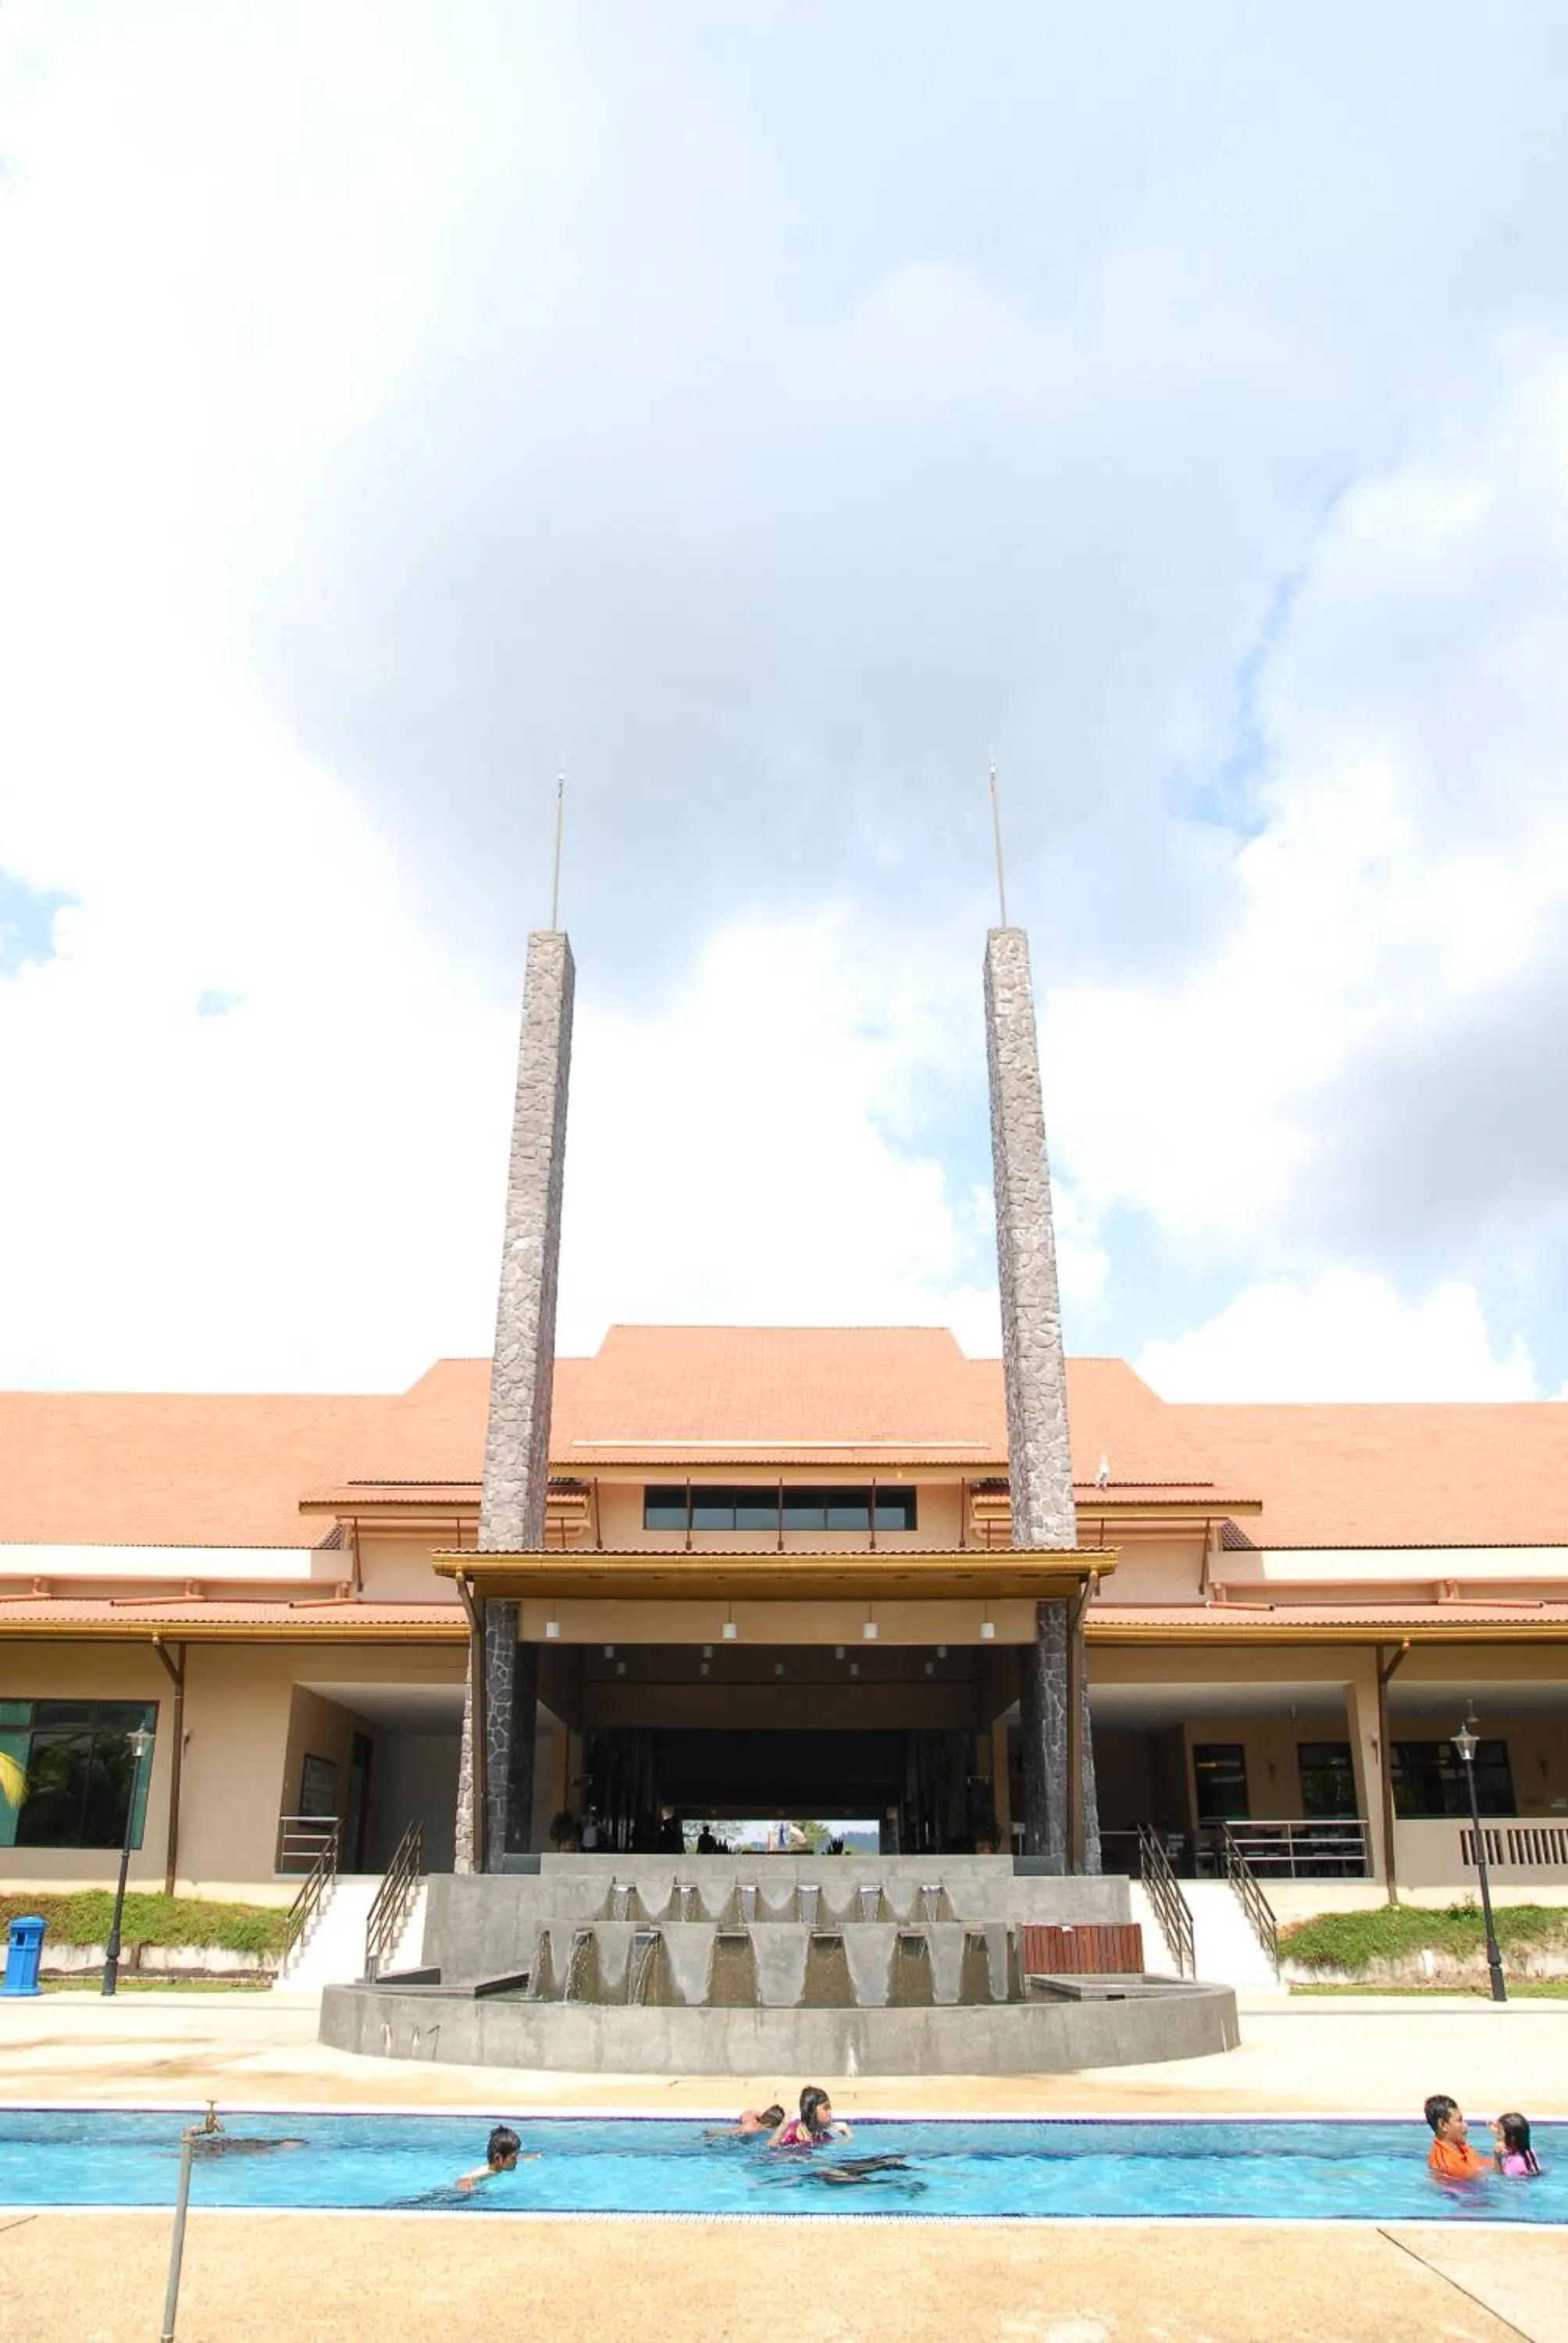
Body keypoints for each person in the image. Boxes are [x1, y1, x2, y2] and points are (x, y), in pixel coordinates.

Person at [1424, 2095, 1491, 2183]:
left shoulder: (1460, 2146)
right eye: (1459, 2121)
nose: (1466, 2126)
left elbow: (1480, 2164)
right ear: (1442, 2125)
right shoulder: (1444, 2166)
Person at [454, 2123, 539, 2191]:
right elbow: (465, 2179)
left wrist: (527, 2158)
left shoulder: (499, 2166)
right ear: (498, 2158)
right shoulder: (485, 2172)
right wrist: (466, 2186)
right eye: (514, 2157)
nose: (516, 2161)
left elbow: (515, 2159)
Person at [771, 2087, 851, 2148]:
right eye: (826, 2108)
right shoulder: (791, 2132)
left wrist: (847, 2134)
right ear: (812, 2110)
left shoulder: (821, 2137)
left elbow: (840, 2146)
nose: (830, 2112)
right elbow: (771, 2150)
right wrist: (782, 2129)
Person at [1492, 2112, 1542, 2177]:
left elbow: (1503, 2181)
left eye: (1500, 2133)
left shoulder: (1515, 2165)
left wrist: (1497, 2158)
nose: (1498, 2137)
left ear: (1512, 2140)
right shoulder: (1529, 2152)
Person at [705, 2103, 786, 2142]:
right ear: (769, 2126)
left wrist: (764, 2116)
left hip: (715, 2133)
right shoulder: (753, 2129)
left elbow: (747, 2113)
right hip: (717, 2137)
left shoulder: (751, 2121)